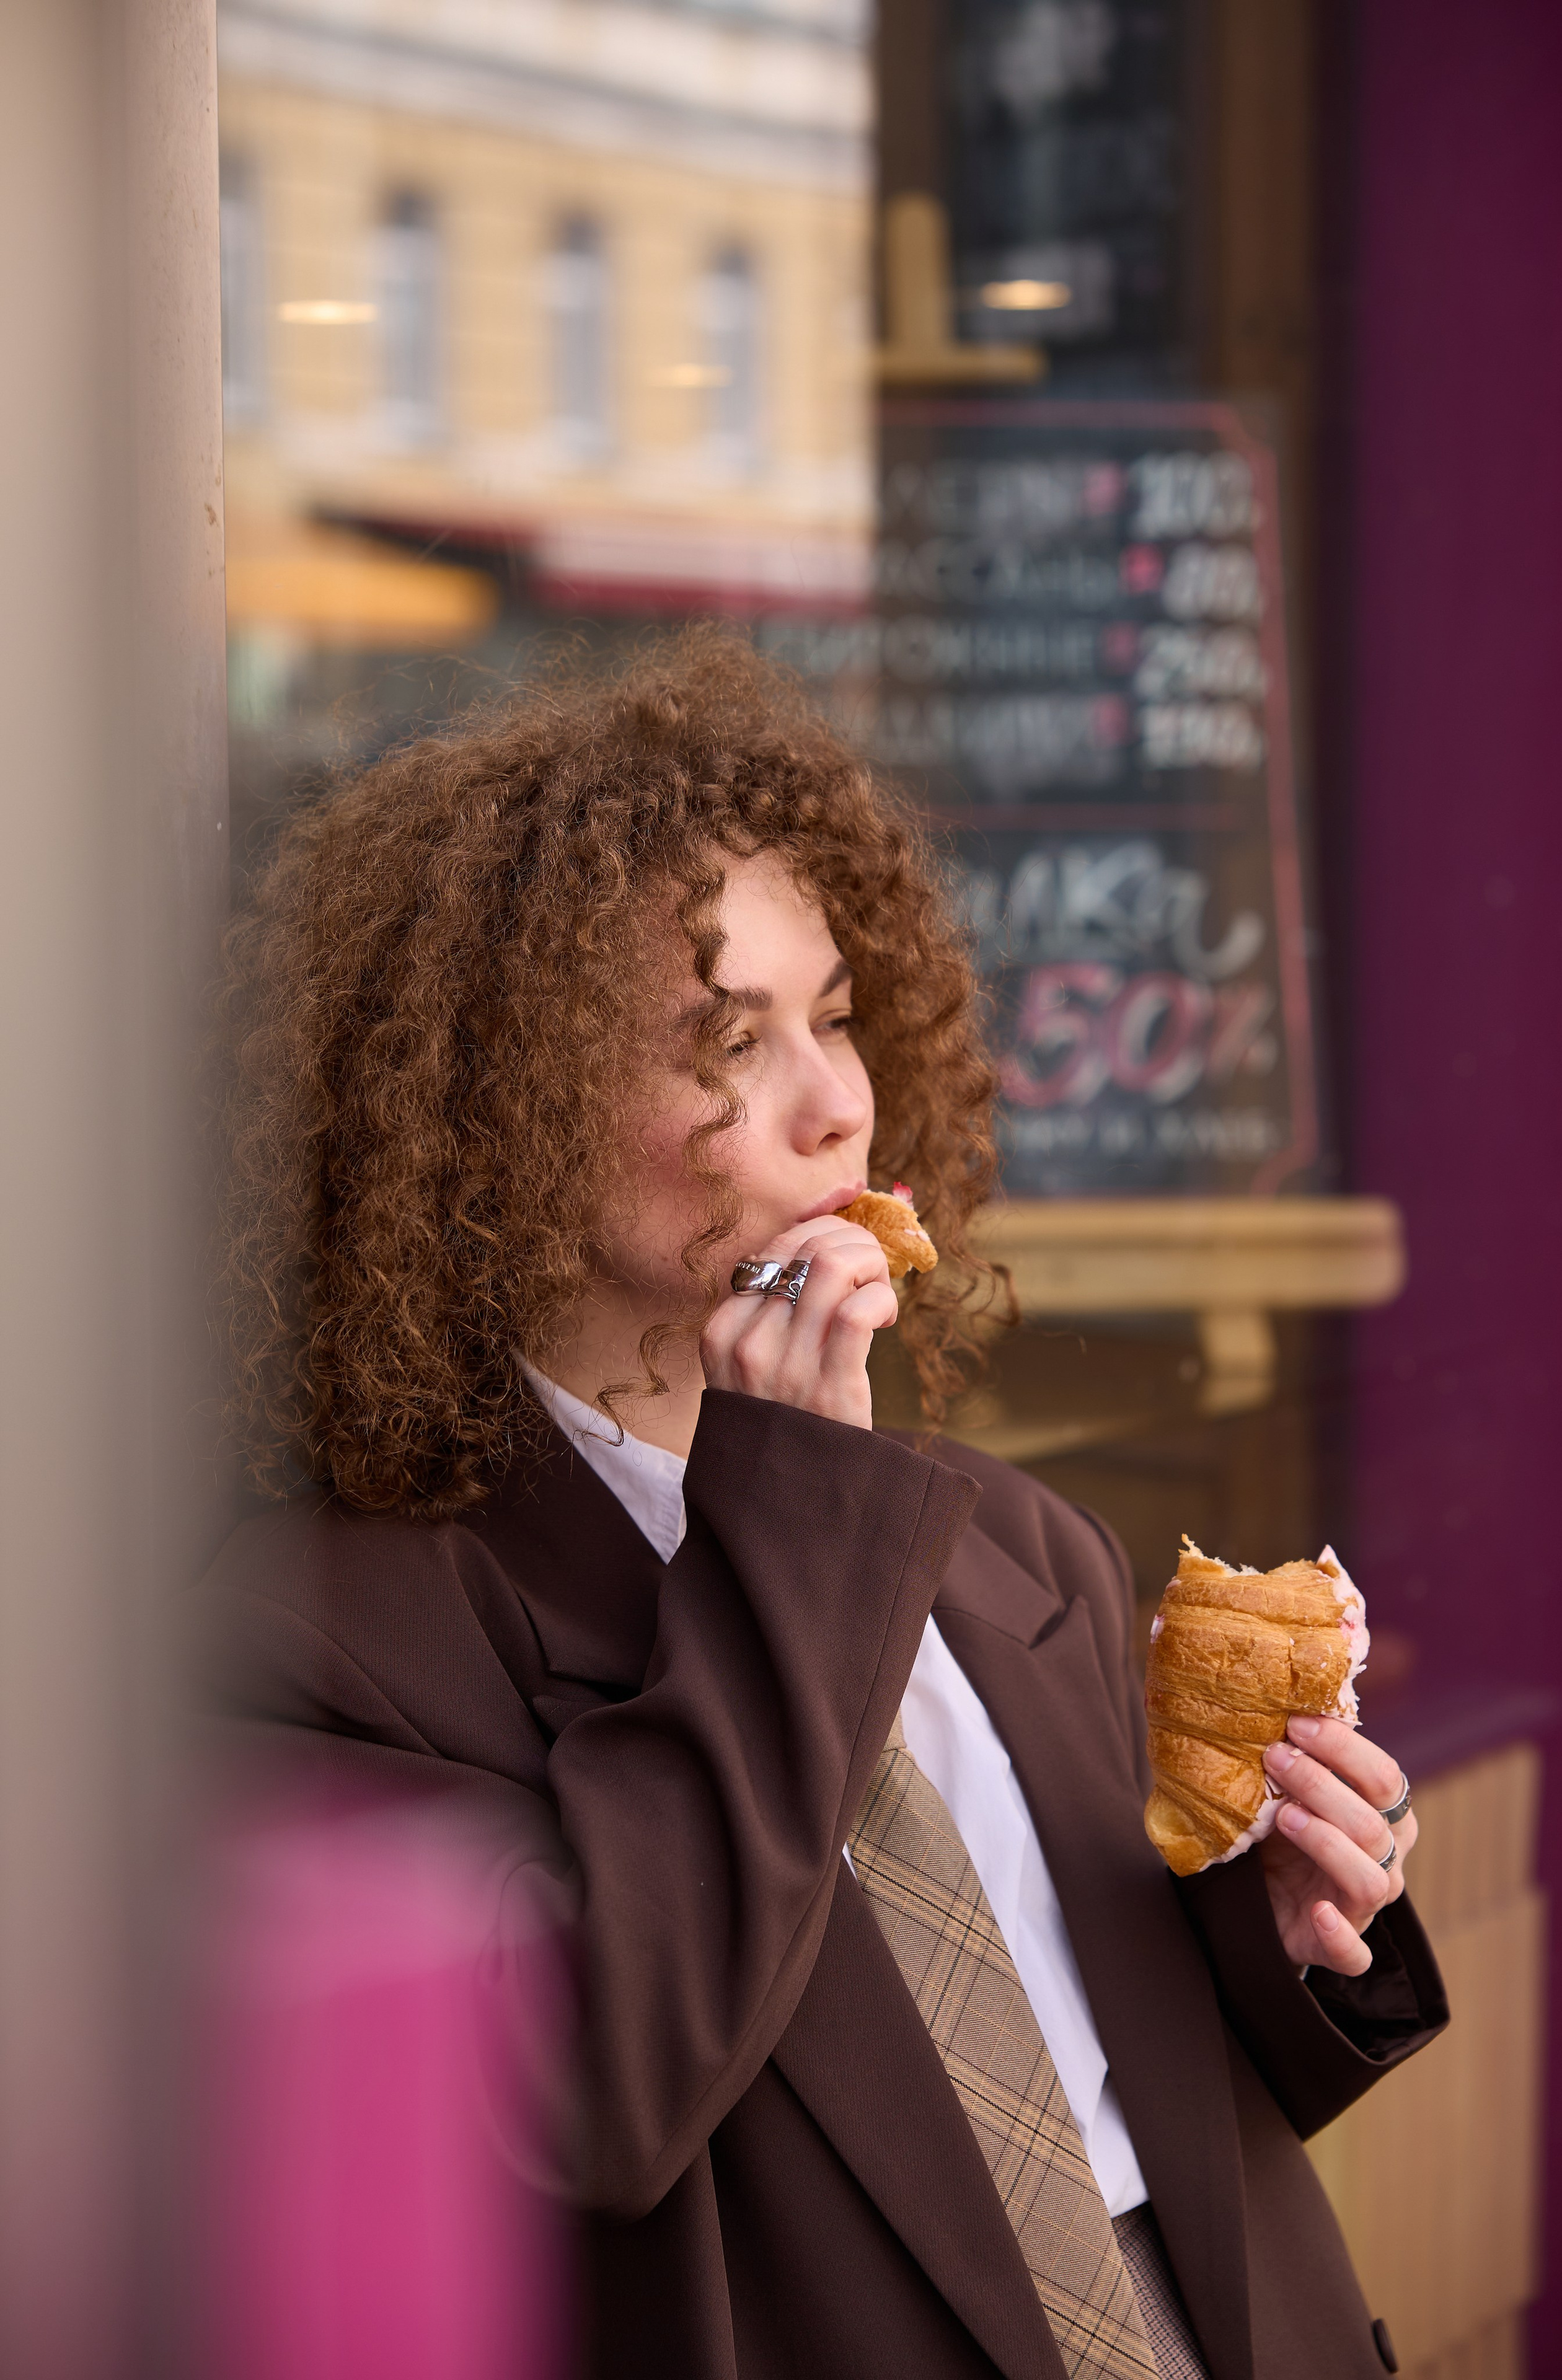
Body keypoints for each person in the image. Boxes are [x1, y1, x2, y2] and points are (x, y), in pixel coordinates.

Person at [200, 630, 1445, 2380]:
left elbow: (1123, 2085)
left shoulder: (1021, 1550)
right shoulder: (335, 1636)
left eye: (839, 1015)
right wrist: (792, 1515)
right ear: (506, 1113)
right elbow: (596, 2097)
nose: (837, 1100)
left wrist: (1289, 1924)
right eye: (728, 1039)